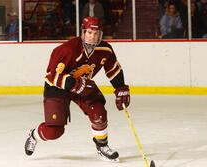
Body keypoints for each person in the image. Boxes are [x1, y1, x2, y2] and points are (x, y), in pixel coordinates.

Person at [24, 16, 130, 162]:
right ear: (83, 32)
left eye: (96, 33)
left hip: (82, 84)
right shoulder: (66, 50)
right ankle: (34, 135)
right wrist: (73, 84)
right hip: (58, 87)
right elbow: (51, 76)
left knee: (98, 111)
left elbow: (113, 70)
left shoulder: (105, 49)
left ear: (100, 34)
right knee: (55, 132)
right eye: (89, 33)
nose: (92, 37)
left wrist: (121, 88)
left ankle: (102, 146)